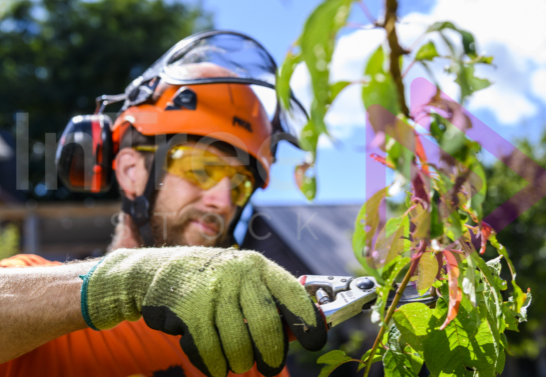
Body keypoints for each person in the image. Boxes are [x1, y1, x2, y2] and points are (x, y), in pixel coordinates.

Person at [0, 31, 326, 377]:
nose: (221, 200)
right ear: (130, 171)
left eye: (239, 184)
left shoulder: (245, 358)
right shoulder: (32, 296)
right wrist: (127, 283)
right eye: (200, 168)